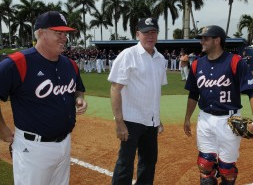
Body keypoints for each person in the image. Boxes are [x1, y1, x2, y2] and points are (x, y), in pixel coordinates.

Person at [0, 11, 88, 185]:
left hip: (65, 144)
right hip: (33, 149)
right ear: (41, 33)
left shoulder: (70, 65)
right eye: (58, 33)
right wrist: (1, 128)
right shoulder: (17, 62)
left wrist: (79, 99)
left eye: (65, 34)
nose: (64, 38)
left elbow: (78, 90)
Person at [183, 25, 253, 185]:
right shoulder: (197, 65)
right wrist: (187, 119)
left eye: (205, 38)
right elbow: (193, 94)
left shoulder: (235, 61)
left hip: (229, 120)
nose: (201, 42)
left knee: (227, 170)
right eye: (201, 38)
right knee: (205, 165)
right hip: (204, 119)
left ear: (217, 40)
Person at [108, 17, 167, 185]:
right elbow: (115, 89)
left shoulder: (160, 59)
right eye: (146, 32)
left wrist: (157, 117)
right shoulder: (128, 55)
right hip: (131, 120)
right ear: (137, 34)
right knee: (125, 163)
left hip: (151, 121)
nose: (150, 36)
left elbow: (154, 91)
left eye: (154, 32)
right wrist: (119, 123)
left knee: (148, 162)